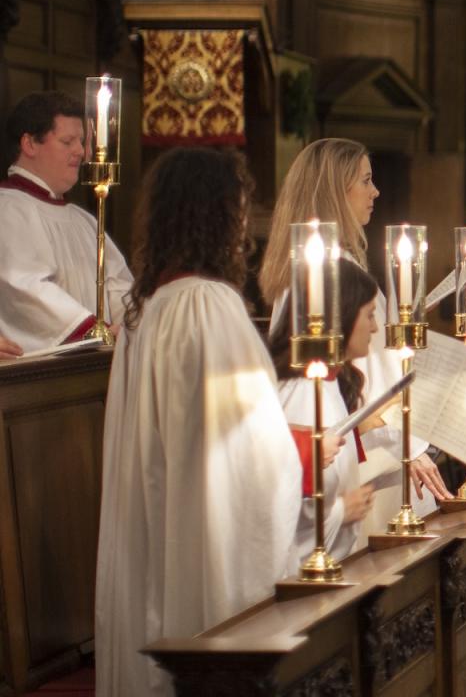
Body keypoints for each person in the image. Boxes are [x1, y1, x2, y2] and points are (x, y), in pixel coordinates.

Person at [94, 148, 302, 695]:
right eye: (237, 208)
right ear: (214, 215)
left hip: (166, 523)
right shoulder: (210, 305)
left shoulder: (149, 307)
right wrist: (305, 455)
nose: (242, 225)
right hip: (205, 535)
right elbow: (255, 456)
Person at [258, 138, 452, 520]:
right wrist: (412, 447)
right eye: (365, 180)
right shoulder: (328, 270)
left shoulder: (317, 265)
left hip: (367, 445)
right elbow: (362, 374)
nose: (375, 191)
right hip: (365, 455)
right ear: (335, 190)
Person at [267, 261, 382, 565]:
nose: (375, 327)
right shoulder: (303, 392)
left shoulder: (329, 383)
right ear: (343, 315)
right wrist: (342, 511)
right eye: (369, 315)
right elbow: (282, 499)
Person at [0, 91, 133, 351]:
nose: (82, 152)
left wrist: (134, 328)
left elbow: (118, 285)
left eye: (82, 141)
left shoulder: (84, 221)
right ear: (29, 144)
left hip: (96, 363)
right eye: (67, 141)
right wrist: (92, 331)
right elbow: (24, 288)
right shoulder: (9, 208)